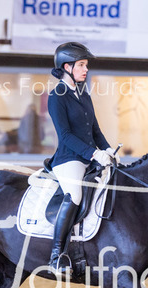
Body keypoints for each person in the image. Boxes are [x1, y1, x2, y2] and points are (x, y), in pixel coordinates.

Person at [46, 41, 120, 273]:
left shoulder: (83, 94)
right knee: (75, 194)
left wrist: (107, 150)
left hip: (90, 158)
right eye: (81, 65)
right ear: (66, 67)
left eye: (86, 65)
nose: (85, 69)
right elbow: (65, 136)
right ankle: (57, 255)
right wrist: (94, 153)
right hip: (69, 159)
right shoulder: (57, 96)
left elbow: (95, 130)